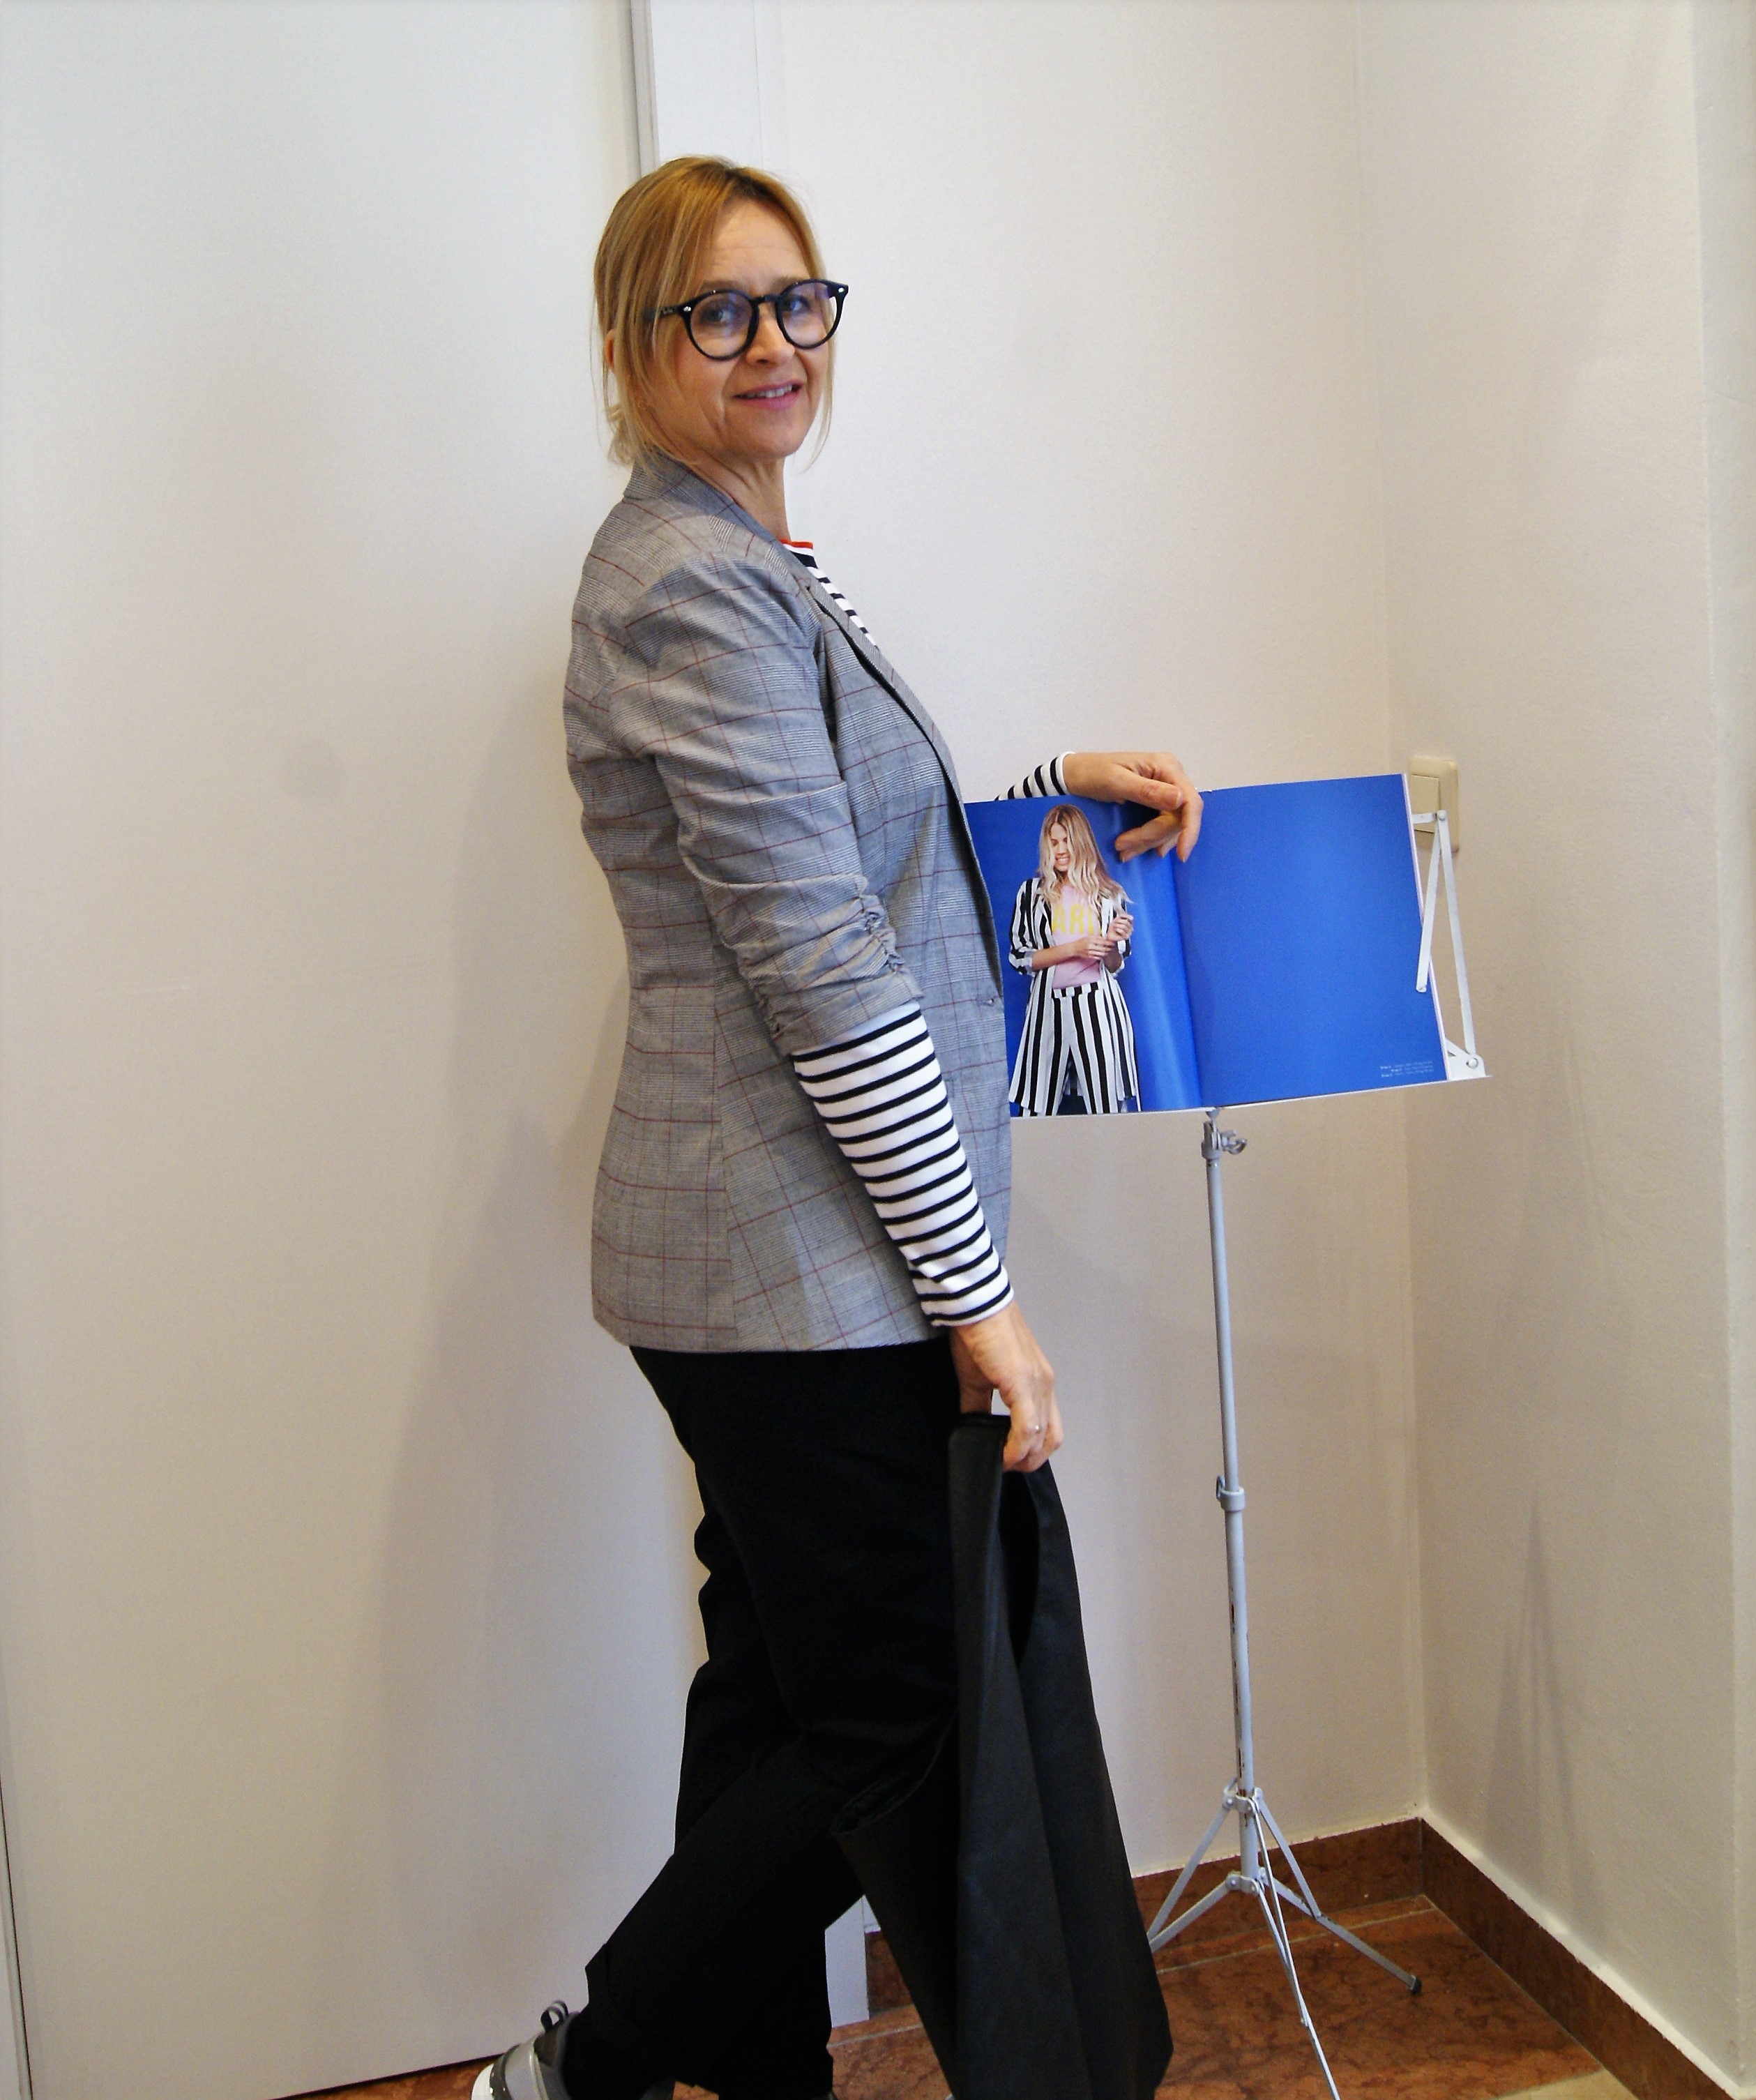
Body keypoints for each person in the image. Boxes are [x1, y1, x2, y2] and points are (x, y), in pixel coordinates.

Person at [475, 156, 1200, 2100]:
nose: (773, 342)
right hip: (797, 1271)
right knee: (903, 1731)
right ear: (630, 346)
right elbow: (817, 963)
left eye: (798, 301)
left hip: (770, 1265)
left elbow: (842, 858)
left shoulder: (740, 551)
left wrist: (1045, 787)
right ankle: (578, 2069)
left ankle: (721, 2073)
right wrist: (981, 1296)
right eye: (716, 310)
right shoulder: (689, 586)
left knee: (782, 1689)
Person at [1008, 803, 1140, 1115]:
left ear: (1080, 841)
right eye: (1054, 842)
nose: (1060, 850)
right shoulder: (1031, 893)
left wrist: (1113, 941)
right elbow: (1020, 958)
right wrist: (1074, 949)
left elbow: (1114, 965)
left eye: (1066, 841)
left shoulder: (1109, 894)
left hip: (1098, 1007)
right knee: (1037, 1107)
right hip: (1047, 1008)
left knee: (1107, 1106)